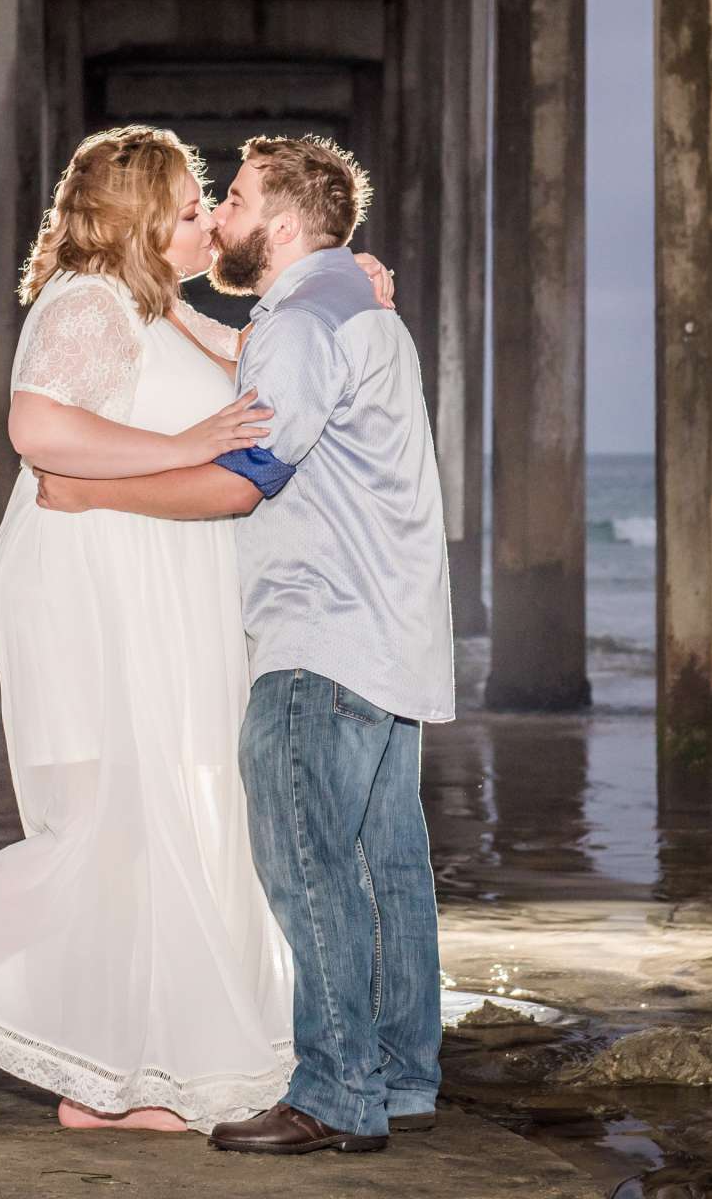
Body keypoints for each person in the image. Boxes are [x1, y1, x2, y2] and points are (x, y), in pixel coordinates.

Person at [0, 124, 398, 1136]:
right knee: (98, 829)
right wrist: (181, 443)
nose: (204, 224)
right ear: (142, 220)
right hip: (88, 589)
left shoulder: (163, 311)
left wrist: (340, 279)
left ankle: (118, 1080)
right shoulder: (89, 301)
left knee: (153, 836)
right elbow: (38, 429)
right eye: (190, 209)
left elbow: (261, 361)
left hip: (153, 585)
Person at [35, 134, 454, 1157]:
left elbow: (245, 475)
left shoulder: (307, 319)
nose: (217, 215)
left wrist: (92, 490)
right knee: (386, 866)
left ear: (282, 217)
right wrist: (165, 296)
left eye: (235, 199)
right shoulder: (342, 306)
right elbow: (249, 368)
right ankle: (398, 1076)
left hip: (322, 633)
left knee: (307, 864)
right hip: (395, 636)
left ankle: (332, 1094)